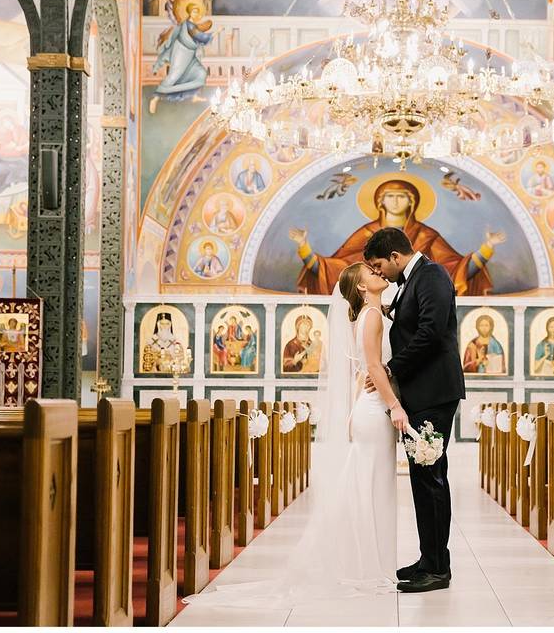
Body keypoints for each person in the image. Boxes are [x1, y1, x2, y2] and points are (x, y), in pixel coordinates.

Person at [182, 261, 405, 607]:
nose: (378, 274)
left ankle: (367, 565)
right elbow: (374, 367)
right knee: (371, 488)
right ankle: (367, 567)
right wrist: (396, 407)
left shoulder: (368, 316)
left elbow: (366, 370)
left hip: (368, 408)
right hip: (376, 411)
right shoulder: (372, 317)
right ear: (361, 288)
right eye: (371, 273)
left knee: (366, 487)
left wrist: (360, 403)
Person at [364, 226, 465, 593]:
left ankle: (437, 568)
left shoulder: (432, 274)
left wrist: (391, 370)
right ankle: (430, 558)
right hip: (423, 392)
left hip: (435, 392)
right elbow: (414, 325)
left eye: (379, 265)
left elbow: (432, 332)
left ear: (395, 256)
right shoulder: (413, 281)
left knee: (431, 477)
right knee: (424, 479)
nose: (379, 273)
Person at [291, 178, 504, 296]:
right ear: (380, 202)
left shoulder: (426, 235)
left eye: (401, 196)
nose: (395, 202)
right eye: (389, 197)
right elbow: (340, 268)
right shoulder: (366, 233)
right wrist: (304, 248)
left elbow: (453, 268)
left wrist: (487, 248)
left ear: (411, 201)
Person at [150, 1, 216, 113]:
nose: (196, 14)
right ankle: (155, 98)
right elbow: (199, 36)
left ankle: (194, 95)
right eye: (194, 12)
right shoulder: (188, 25)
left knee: (201, 73)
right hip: (181, 52)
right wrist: (215, 33)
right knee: (174, 76)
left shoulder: (193, 25)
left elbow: (198, 38)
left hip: (190, 54)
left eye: (197, 12)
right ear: (190, 13)